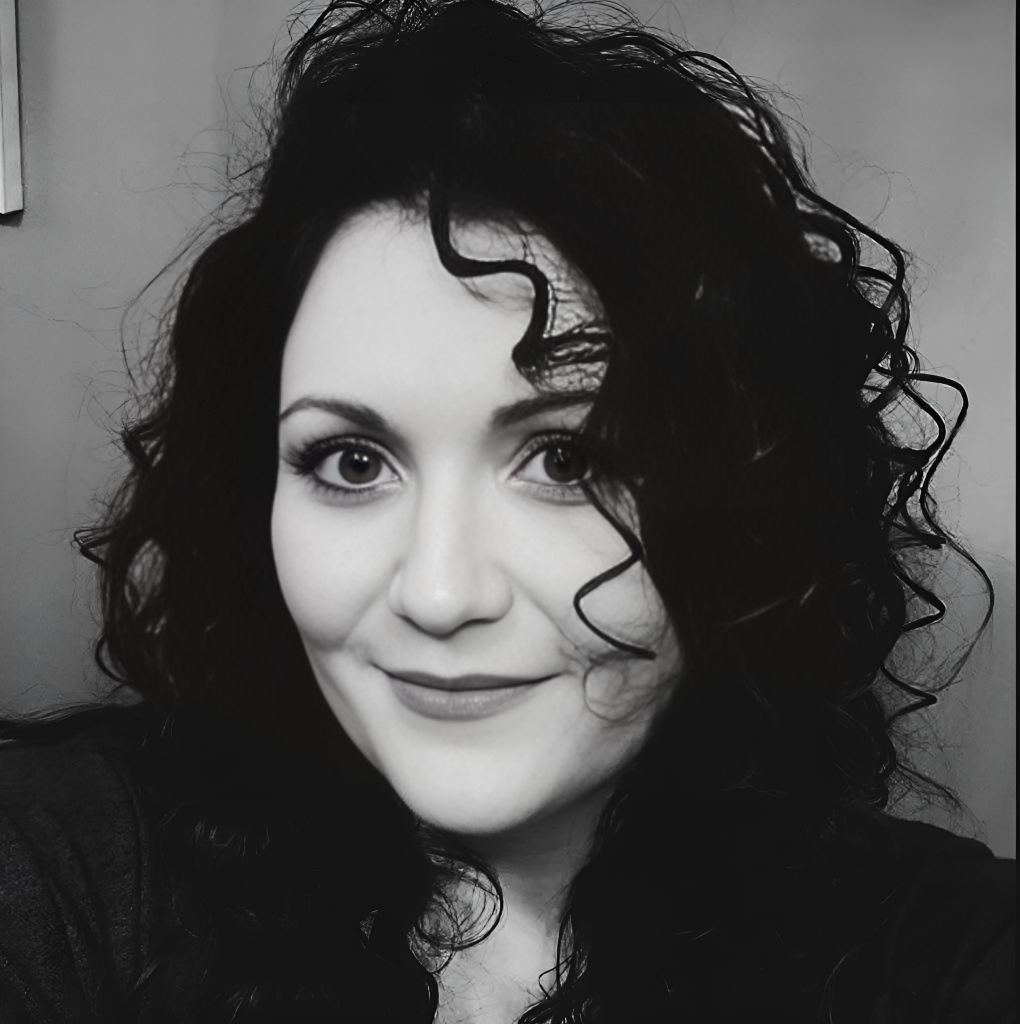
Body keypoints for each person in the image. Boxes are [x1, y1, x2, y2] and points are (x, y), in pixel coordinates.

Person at [0, 0, 1013, 1021]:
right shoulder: (63, 874)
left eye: (570, 458)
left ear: (746, 503)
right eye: (351, 460)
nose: (440, 593)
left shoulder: (942, 954)